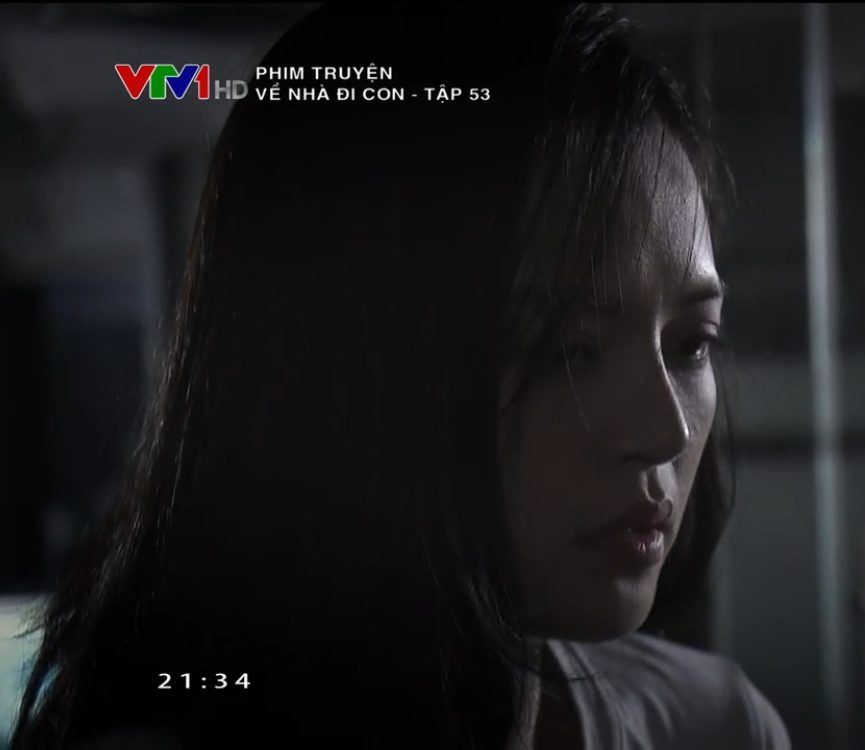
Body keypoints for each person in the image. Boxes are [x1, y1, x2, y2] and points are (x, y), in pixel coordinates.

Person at [10, 4, 789, 748]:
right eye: (568, 349)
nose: (665, 430)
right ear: (340, 369)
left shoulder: (716, 729)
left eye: (692, 344)